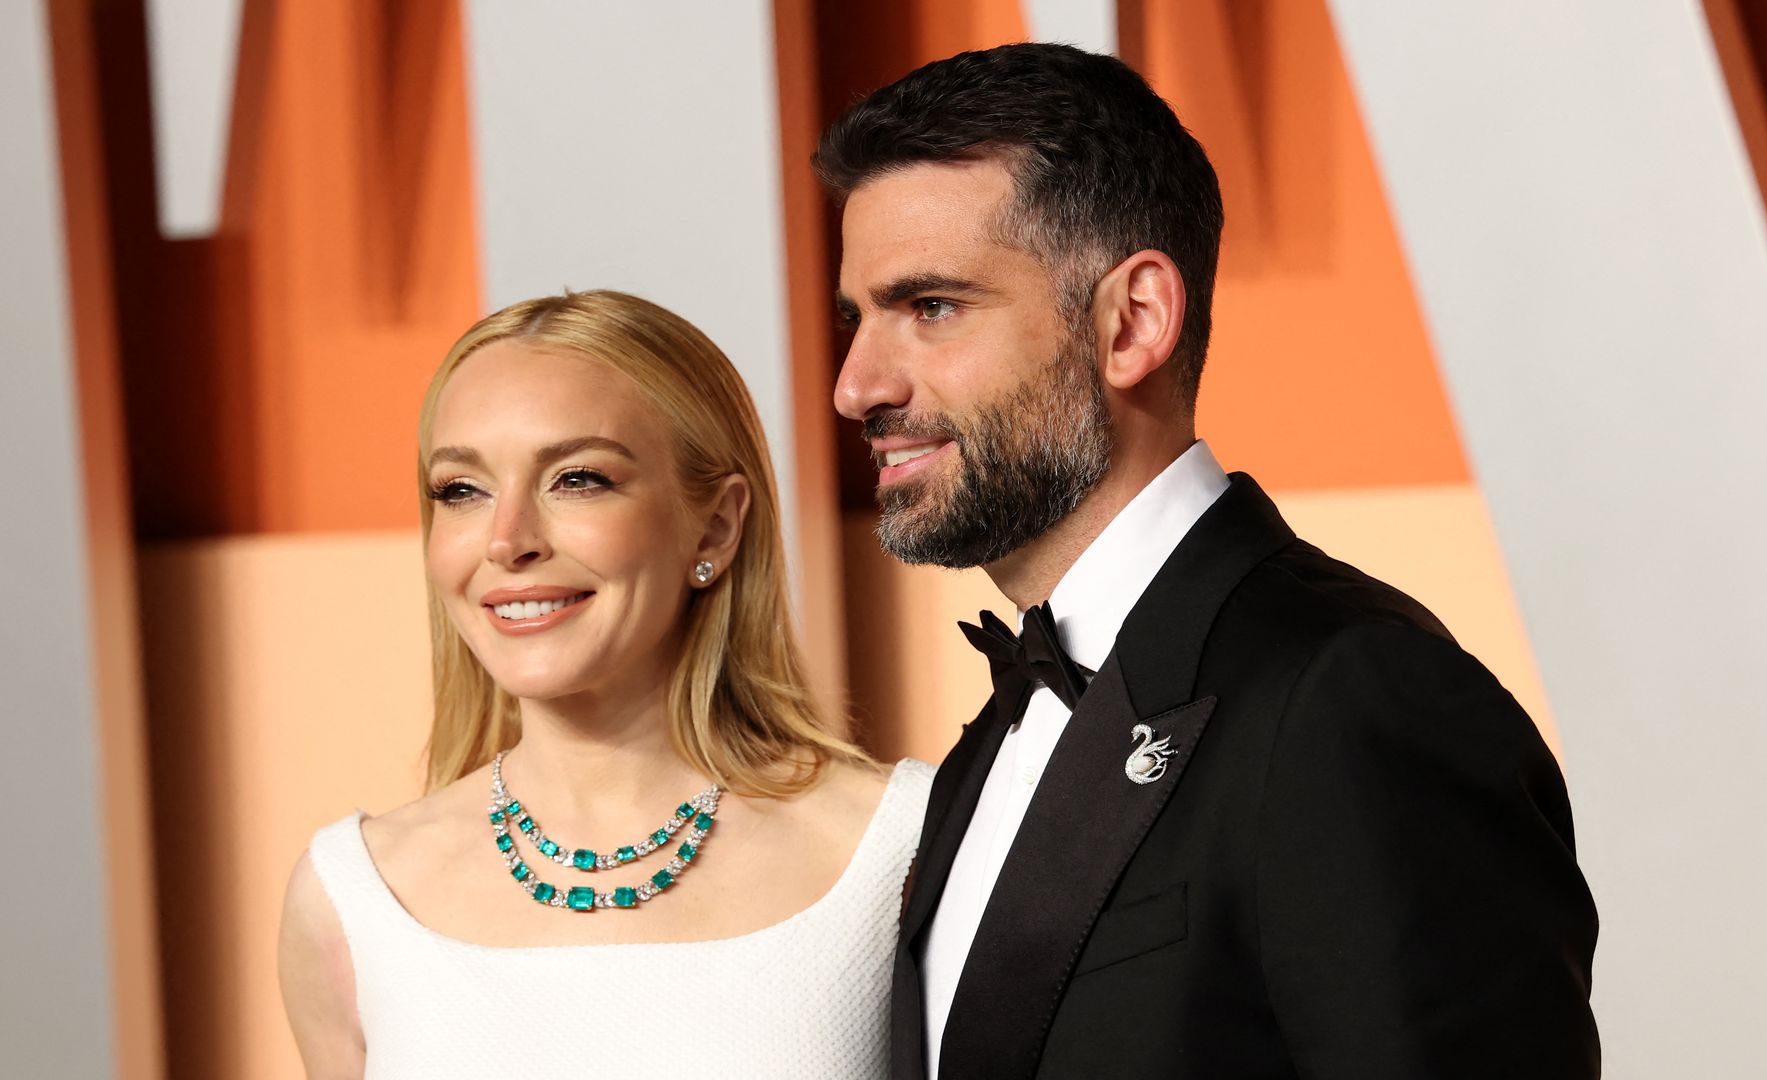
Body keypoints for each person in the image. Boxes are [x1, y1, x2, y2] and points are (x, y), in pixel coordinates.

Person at [816, 42, 1599, 1079]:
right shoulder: (983, 751)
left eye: (932, 308)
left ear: (1132, 321)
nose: (856, 384)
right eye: (856, 319)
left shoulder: (1354, 699)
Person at [277, 290, 931, 1078]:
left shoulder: (909, 848)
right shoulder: (351, 900)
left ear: (717, 527)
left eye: (578, 479)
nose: (507, 539)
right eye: (461, 490)